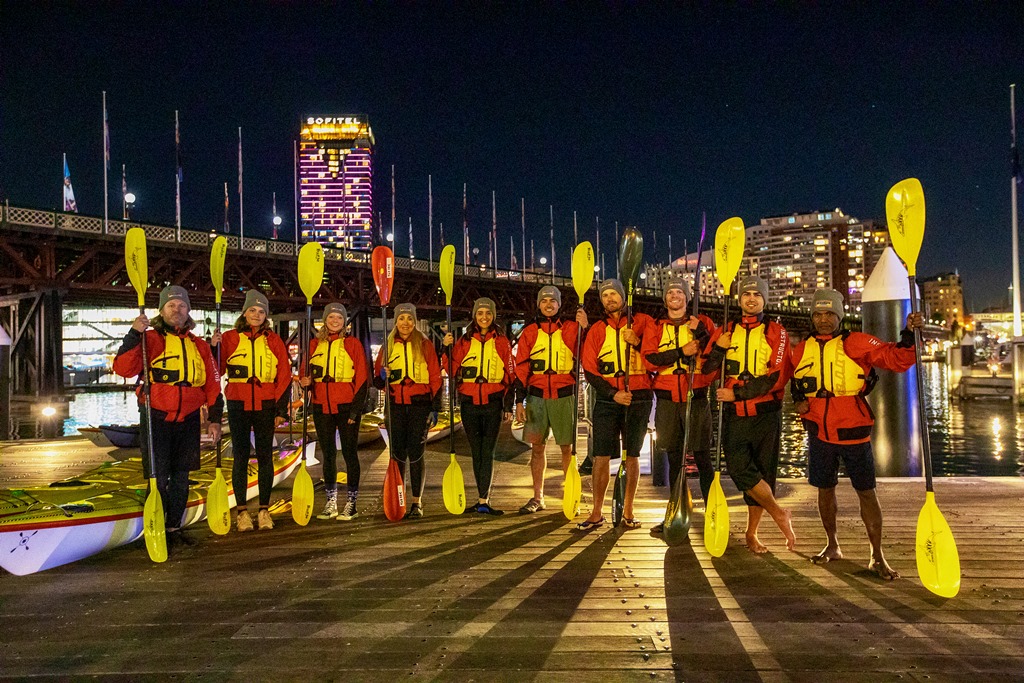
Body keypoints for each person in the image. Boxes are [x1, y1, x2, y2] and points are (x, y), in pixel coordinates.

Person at [791, 288, 923, 579]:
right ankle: (832, 545)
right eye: (818, 314)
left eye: (830, 314)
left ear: (839, 315)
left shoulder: (858, 342)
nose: (824, 319)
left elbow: (896, 359)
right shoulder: (800, 349)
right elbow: (791, 380)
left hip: (853, 430)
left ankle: (878, 556)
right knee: (824, 490)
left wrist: (909, 335)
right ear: (812, 316)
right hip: (818, 430)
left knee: (866, 492)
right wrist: (796, 398)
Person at [113, 285, 223, 545]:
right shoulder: (150, 339)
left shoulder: (199, 345)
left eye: (182, 305)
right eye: (171, 305)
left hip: (188, 419)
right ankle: (157, 524)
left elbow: (213, 384)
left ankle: (174, 526)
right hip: (156, 416)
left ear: (189, 311)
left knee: (182, 477)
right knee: (158, 476)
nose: (177, 309)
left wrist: (215, 419)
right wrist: (133, 333)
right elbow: (123, 369)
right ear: (162, 311)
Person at [703, 275, 797, 553]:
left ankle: (752, 533)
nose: (752, 298)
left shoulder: (776, 332)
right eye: (747, 295)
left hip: (765, 413)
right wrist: (719, 347)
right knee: (739, 469)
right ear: (739, 299)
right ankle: (780, 513)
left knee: (763, 473)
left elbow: (778, 376)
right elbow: (708, 369)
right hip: (734, 415)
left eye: (757, 294)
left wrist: (738, 393)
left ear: (764, 300)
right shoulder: (725, 329)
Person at [578, 278, 655, 531]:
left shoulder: (643, 322)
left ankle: (629, 510)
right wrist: (613, 394)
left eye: (614, 294)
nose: (610, 299)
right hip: (608, 399)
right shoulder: (597, 329)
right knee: (601, 456)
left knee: (632, 455)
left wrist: (638, 342)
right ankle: (596, 511)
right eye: (605, 295)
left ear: (624, 296)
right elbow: (589, 369)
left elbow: (655, 358)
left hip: (639, 397)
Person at [212, 289, 292, 532]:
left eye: (261, 311)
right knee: (241, 457)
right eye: (252, 310)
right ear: (244, 313)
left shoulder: (274, 340)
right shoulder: (229, 337)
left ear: (265, 315)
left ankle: (265, 510)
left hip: (266, 405)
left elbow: (284, 375)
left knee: (266, 456)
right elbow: (215, 370)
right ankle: (242, 513)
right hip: (238, 404)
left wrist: (280, 409)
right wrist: (212, 347)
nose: (256, 315)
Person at [642, 277, 716, 532]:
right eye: (670, 292)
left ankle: (713, 514)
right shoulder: (655, 327)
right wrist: (680, 352)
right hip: (667, 401)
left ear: (687, 298)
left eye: (679, 292)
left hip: (695, 398)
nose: (675, 296)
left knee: (703, 458)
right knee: (674, 459)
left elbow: (714, 356)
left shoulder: (702, 323)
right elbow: (650, 360)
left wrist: (702, 333)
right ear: (665, 299)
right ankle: (674, 515)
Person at [512, 285, 589, 514]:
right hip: (536, 398)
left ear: (559, 305)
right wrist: (519, 401)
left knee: (567, 449)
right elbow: (521, 368)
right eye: (544, 301)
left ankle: (571, 496)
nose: (548, 304)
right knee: (538, 447)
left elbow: (587, 353)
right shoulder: (529, 332)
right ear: (539, 304)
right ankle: (538, 497)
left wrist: (586, 328)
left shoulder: (571, 328)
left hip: (564, 395)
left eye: (552, 301)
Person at [443, 298, 513, 515]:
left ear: (493, 316)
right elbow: (451, 369)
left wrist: (508, 406)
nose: (484, 317)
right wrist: (446, 348)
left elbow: (510, 376)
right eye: (480, 313)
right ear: (474, 316)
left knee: (487, 452)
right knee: (476, 452)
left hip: (492, 404)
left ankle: (484, 499)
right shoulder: (463, 342)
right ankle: (481, 498)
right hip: (469, 404)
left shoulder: (501, 342)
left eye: (488, 313)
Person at [373, 303, 443, 519]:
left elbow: (435, 377)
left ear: (414, 321)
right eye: (401, 319)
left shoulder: (425, 344)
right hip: (395, 405)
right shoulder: (388, 346)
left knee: (416, 454)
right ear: (396, 322)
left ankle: (416, 502)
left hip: (419, 406)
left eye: (409, 319)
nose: (406, 323)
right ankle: (398, 499)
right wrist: (383, 376)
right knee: (397, 455)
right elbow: (376, 382)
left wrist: (435, 407)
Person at [300, 303, 368, 521]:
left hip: (346, 406)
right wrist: (305, 382)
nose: (335, 320)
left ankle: (351, 503)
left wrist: (355, 410)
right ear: (325, 320)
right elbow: (304, 374)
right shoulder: (313, 345)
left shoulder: (353, 344)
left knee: (349, 454)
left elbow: (362, 380)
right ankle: (331, 503)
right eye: (331, 317)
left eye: (339, 317)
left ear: (345, 321)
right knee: (328, 455)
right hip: (322, 407)